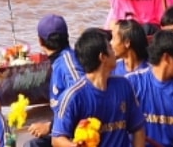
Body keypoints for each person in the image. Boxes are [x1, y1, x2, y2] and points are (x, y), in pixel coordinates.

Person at [52, 28, 147, 147]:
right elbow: (57, 139)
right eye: (110, 48)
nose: (114, 52)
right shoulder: (73, 96)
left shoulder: (124, 86)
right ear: (103, 57)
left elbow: (138, 129)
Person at [26, 14, 83, 147]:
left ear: (40, 41)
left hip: (78, 134)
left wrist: (49, 126)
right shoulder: (57, 61)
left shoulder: (69, 64)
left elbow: (82, 100)